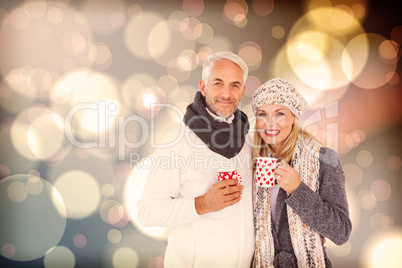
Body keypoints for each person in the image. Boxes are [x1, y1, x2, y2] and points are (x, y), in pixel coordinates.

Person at [137, 51, 254, 267]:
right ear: (203, 87)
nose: (226, 93)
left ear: (243, 91)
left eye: (234, 85)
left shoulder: (250, 142)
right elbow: (147, 212)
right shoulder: (178, 141)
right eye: (218, 83)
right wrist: (200, 204)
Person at [251, 78, 352, 267]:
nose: (270, 123)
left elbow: (341, 232)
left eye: (280, 113)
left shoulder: (324, 159)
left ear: (293, 118)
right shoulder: (252, 161)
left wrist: (298, 190)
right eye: (262, 114)